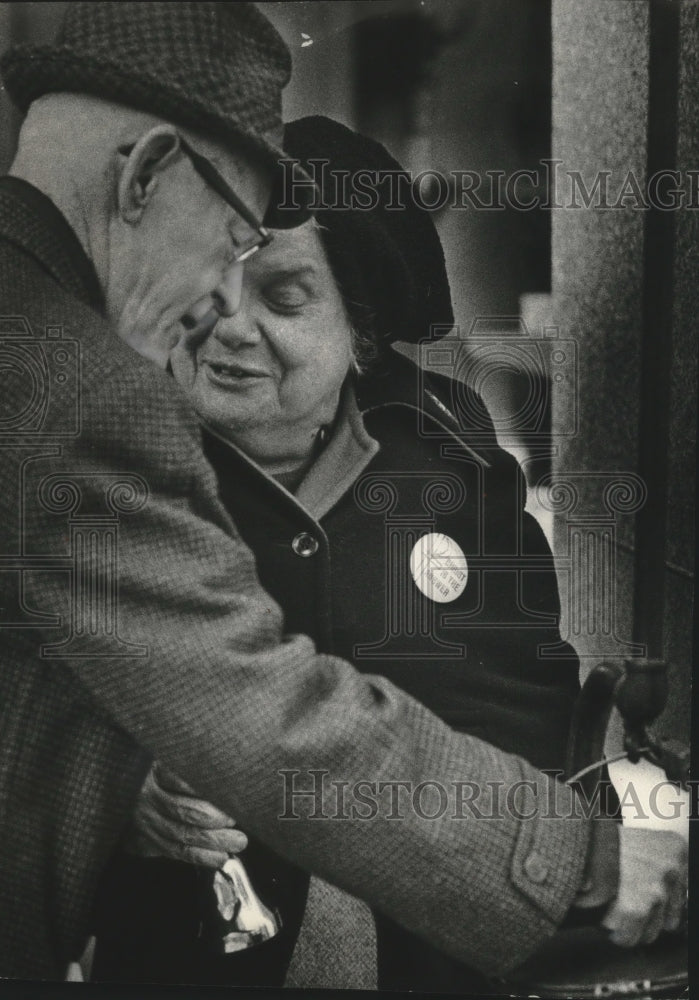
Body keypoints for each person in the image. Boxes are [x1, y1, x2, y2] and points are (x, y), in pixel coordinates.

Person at [0, 3, 684, 984]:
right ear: (143, 175)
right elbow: (253, 712)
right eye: (228, 249)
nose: (219, 313)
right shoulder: (95, 403)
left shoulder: (445, 458)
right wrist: (588, 863)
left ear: (362, 335)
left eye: (279, 291)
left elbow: (525, 708)